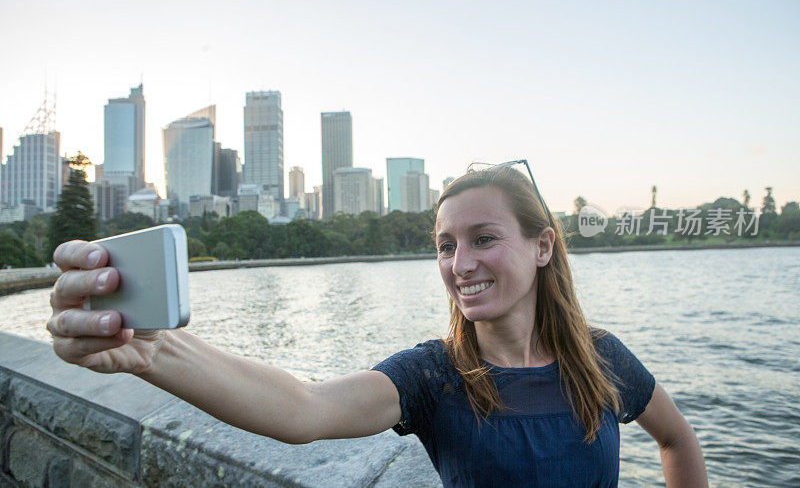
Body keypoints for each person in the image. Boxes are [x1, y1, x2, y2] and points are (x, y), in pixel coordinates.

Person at [47, 163, 707, 487]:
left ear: (543, 246)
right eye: (446, 245)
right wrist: (150, 350)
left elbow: (679, 443)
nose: (460, 263)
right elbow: (304, 408)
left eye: (483, 238)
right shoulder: (435, 377)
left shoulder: (604, 359)